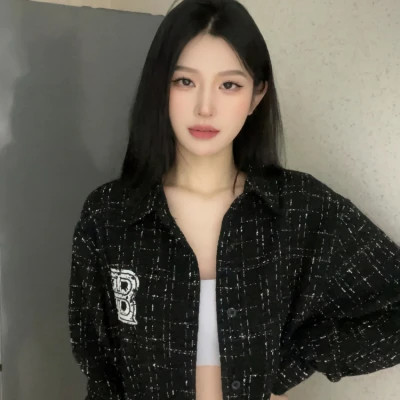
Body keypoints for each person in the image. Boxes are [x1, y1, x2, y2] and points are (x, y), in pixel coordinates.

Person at [68, 0, 400, 399]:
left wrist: (294, 363)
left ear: (257, 95)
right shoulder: (110, 215)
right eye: (184, 81)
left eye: (229, 85)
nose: (205, 107)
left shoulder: (296, 208)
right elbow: (99, 365)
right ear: (160, 87)